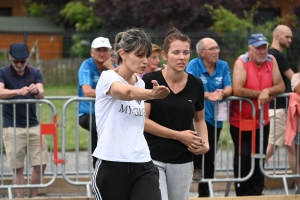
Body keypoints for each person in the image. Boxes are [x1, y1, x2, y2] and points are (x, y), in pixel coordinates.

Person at [92, 28, 170, 200]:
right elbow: (126, 93)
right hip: (111, 163)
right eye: (140, 55)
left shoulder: (141, 83)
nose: (145, 61)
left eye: (147, 56)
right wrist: (152, 95)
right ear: (123, 54)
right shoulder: (107, 77)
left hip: (142, 161)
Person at [142, 27, 209, 200]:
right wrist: (179, 135)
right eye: (176, 52)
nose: (182, 57)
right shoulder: (150, 80)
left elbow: (199, 119)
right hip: (152, 155)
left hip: (183, 158)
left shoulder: (196, 84)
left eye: (186, 52)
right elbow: (144, 121)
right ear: (165, 55)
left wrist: (206, 144)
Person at [230, 33, 285, 196]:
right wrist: (261, 93)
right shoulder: (242, 62)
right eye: (258, 48)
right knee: (244, 156)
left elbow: (281, 86)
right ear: (250, 49)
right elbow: (238, 89)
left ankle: (257, 193)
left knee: (260, 156)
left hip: (262, 121)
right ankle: (242, 192)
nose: (262, 51)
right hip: (241, 121)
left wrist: (267, 90)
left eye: (264, 47)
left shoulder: (271, 60)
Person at [0, 43, 49, 198]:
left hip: (33, 124)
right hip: (12, 126)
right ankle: (20, 198)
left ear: (27, 59)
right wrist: (17, 92)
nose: (20, 65)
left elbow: (42, 93)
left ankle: (33, 196)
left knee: (41, 163)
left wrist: (36, 91)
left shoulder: (35, 72)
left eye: (23, 61)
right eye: (16, 61)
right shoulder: (2, 72)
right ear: (10, 58)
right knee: (17, 167)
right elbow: (0, 92)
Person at [186, 37, 232, 197]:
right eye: (212, 48)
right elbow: (190, 86)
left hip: (216, 118)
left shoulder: (223, 65)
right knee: (198, 152)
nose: (216, 51)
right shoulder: (193, 65)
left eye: (217, 48)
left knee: (211, 155)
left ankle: (206, 193)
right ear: (202, 53)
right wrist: (209, 95)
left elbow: (229, 86)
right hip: (197, 117)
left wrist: (223, 93)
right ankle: (193, 180)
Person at [78, 36, 116, 168]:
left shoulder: (114, 67)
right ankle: (98, 166)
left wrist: (111, 67)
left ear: (111, 52)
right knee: (98, 127)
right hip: (87, 113)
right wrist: (113, 92)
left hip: (110, 114)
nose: (102, 53)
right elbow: (87, 91)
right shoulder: (87, 65)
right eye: (98, 50)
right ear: (91, 52)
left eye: (105, 50)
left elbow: (125, 86)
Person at [265, 25, 294, 162]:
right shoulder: (276, 55)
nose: (290, 40)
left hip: (274, 107)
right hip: (278, 108)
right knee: (272, 146)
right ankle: (251, 176)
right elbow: (293, 79)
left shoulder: (269, 55)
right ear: (277, 36)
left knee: (289, 146)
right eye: (287, 37)